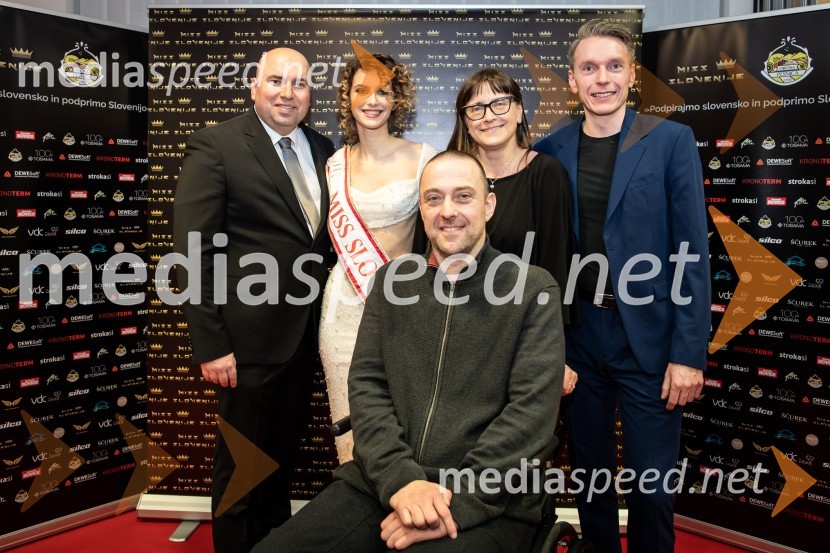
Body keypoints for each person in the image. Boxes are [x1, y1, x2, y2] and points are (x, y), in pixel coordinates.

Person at [253, 150, 565, 553]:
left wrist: (454, 502)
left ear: (488, 205)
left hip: (491, 498)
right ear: (421, 208)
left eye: (463, 196)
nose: (447, 211)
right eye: (434, 198)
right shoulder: (392, 283)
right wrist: (403, 482)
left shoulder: (533, 290)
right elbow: (367, 389)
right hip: (382, 482)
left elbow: (530, 417)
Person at [533, 19, 710, 553]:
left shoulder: (670, 140)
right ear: (572, 80)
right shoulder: (551, 149)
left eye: (614, 66)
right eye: (589, 68)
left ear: (633, 75)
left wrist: (688, 354)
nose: (602, 79)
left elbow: (691, 253)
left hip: (650, 341)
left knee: (652, 490)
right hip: (579, 337)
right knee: (590, 479)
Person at [173, 48, 335, 553]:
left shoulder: (322, 147)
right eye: (276, 80)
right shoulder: (217, 144)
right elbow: (192, 251)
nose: (288, 93)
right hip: (243, 345)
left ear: (311, 94)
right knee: (243, 467)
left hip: (305, 336)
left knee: (280, 463)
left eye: (300, 83)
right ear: (254, 86)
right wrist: (211, 343)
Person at [320, 53, 437, 464]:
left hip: (402, 301)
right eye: (362, 90)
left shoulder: (424, 157)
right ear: (348, 98)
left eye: (383, 91)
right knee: (348, 419)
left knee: (405, 420)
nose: (372, 100)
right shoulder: (335, 164)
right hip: (343, 305)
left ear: (396, 98)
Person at [444, 68, 579, 396]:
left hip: (524, 337)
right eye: (476, 108)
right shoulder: (449, 174)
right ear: (465, 120)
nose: (489, 116)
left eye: (500, 104)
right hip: (457, 336)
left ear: (519, 111)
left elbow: (556, 270)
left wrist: (554, 352)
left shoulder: (546, 173)